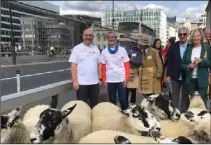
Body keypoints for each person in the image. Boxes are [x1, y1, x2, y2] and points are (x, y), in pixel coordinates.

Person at [69, 28, 101, 109]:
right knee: (82, 107)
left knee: (94, 105)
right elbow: (73, 66)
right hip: (82, 84)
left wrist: (100, 79)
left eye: (90, 36)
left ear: (93, 37)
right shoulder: (77, 48)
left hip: (94, 83)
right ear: (83, 36)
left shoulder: (96, 49)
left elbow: (99, 65)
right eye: (86, 35)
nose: (88, 37)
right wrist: (75, 81)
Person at [181, 29, 211, 108]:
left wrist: (202, 61)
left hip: (202, 80)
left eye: (198, 36)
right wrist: (188, 66)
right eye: (194, 36)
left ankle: (204, 119)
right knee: (192, 104)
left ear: (201, 37)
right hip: (191, 80)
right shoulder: (189, 48)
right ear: (191, 38)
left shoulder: (207, 48)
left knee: (202, 104)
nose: (196, 38)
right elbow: (182, 64)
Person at [100, 31, 130, 110]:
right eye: (109, 37)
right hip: (110, 79)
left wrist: (126, 78)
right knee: (112, 101)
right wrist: (104, 79)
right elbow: (103, 66)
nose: (111, 39)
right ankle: (114, 118)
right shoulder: (104, 52)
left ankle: (125, 116)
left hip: (121, 79)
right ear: (107, 39)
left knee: (123, 100)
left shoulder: (122, 50)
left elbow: (127, 65)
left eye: (113, 37)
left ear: (116, 39)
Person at [166, 27, 190, 113]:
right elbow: (169, 61)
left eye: (184, 34)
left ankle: (184, 114)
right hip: (175, 75)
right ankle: (174, 113)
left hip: (187, 75)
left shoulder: (191, 46)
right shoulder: (173, 46)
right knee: (174, 95)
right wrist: (168, 75)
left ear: (188, 34)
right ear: (178, 35)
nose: (182, 36)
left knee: (185, 96)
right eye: (180, 34)